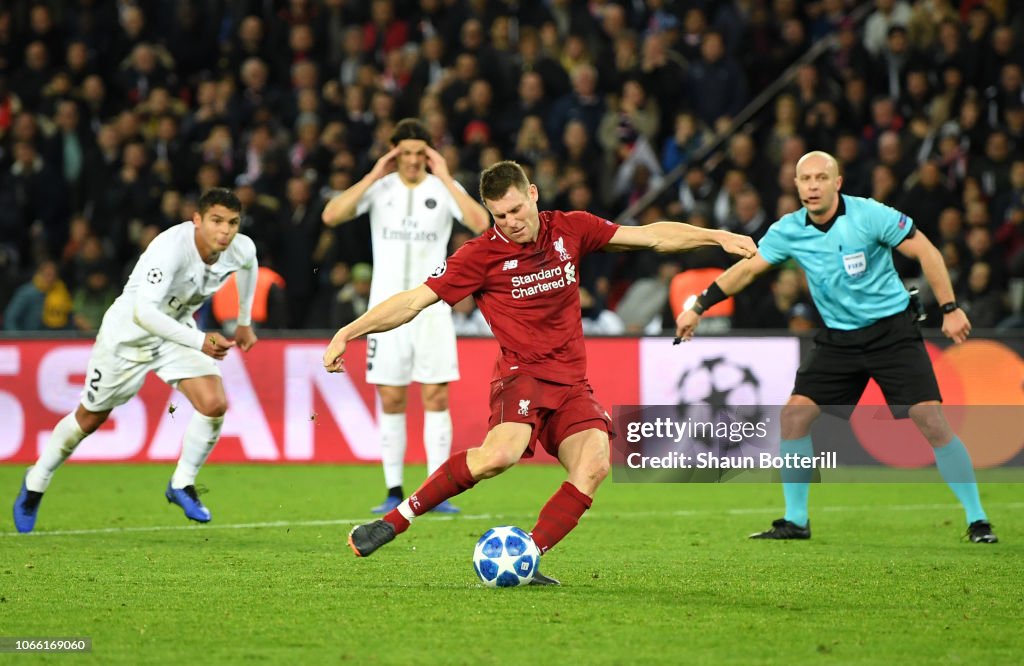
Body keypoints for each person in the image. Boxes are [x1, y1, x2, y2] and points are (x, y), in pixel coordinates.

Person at [323, 161, 757, 583]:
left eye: (516, 210)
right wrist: (349, 331)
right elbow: (412, 301)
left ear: (533, 194)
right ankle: (397, 519)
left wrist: (715, 236)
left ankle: (525, 555)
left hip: (571, 382)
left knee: (594, 465)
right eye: (499, 215)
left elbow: (651, 238)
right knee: (499, 455)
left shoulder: (571, 228)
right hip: (522, 375)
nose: (510, 222)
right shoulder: (480, 255)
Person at [675, 151, 999, 544]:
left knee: (930, 420)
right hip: (839, 338)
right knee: (794, 417)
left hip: (892, 332)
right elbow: (746, 269)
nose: (812, 186)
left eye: (820, 178)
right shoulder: (789, 229)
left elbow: (927, 251)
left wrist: (950, 308)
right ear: (795, 186)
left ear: (837, 183)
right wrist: (699, 307)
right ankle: (796, 520)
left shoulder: (870, 215)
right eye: (805, 179)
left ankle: (978, 519)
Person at [13, 188, 259, 533]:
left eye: (233, 223)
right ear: (197, 220)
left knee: (214, 403)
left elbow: (249, 264)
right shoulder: (170, 249)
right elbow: (144, 314)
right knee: (90, 417)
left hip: (175, 333)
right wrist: (199, 340)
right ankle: (35, 482)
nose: (225, 231)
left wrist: (245, 321)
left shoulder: (240, 247)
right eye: (216, 221)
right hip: (128, 335)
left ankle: (181, 484)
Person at [321, 118, 490, 515]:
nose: (413, 161)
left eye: (419, 153)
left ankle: (437, 490)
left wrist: (446, 176)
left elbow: (481, 224)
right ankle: (394, 489)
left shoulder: (442, 188)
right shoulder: (380, 188)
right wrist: (373, 173)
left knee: (435, 395)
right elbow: (331, 215)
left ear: (429, 155)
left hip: (433, 308)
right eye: (405, 153)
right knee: (392, 397)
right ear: (394, 153)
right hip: (385, 309)